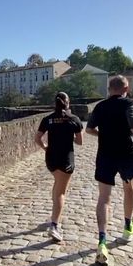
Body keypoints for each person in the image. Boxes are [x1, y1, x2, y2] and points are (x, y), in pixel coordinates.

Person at [86, 75, 133, 265]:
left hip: (106, 154)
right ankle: (128, 227)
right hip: (126, 154)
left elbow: (89, 129)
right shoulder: (131, 103)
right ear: (126, 88)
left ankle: (102, 241)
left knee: (104, 198)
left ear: (109, 89)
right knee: (128, 188)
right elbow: (132, 120)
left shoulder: (100, 106)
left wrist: (103, 134)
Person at [34, 92, 83, 242]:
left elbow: (37, 138)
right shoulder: (74, 119)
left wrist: (45, 147)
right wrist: (70, 135)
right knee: (61, 192)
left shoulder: (47, 119)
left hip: (51, 159)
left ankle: (54, 215)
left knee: (57, 184)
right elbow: (80, 142)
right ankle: (54, 225)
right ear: (68, 103)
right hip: (66, 160)